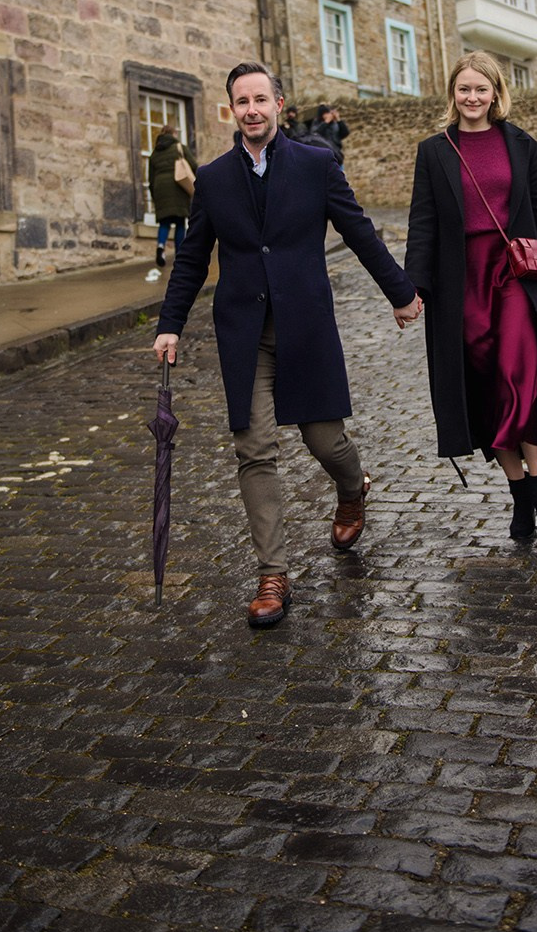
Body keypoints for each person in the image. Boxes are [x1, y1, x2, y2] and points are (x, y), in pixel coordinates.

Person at [153, 62, 422, 628]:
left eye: (260, 98)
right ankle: (272, 575)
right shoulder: (214, 178)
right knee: (254, 448)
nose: (251, 108)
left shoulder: (317, 164)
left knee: (326, 442)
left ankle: (353, 488)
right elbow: (192, 259)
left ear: (279, 104)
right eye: (240, 101)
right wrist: (170, 323)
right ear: (232, 110)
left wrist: (400, 292)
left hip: (306, 328)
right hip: (243, 335)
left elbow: (358, 230)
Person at [405, 52, 537, 541]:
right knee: (484, 385)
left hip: (516, 275)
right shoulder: (435, 150)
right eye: (464, 89)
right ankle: (520, 495)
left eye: (481, 89)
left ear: (496, 93)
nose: (472, 98)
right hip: (461, 281)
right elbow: (423, 224)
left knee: (518, 375)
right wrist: (412, 288)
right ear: (452, 94)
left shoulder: (522, 145)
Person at [147, 125, 197, 268]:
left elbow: (150, 179)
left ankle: (161, 247)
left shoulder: (154, 154)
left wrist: (155, 196)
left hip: (160, 189)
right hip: (177, 186)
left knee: (164, 222)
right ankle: (179, 255)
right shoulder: (178, 147)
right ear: (173, 134)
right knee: (180, 222)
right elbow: (193, 165)